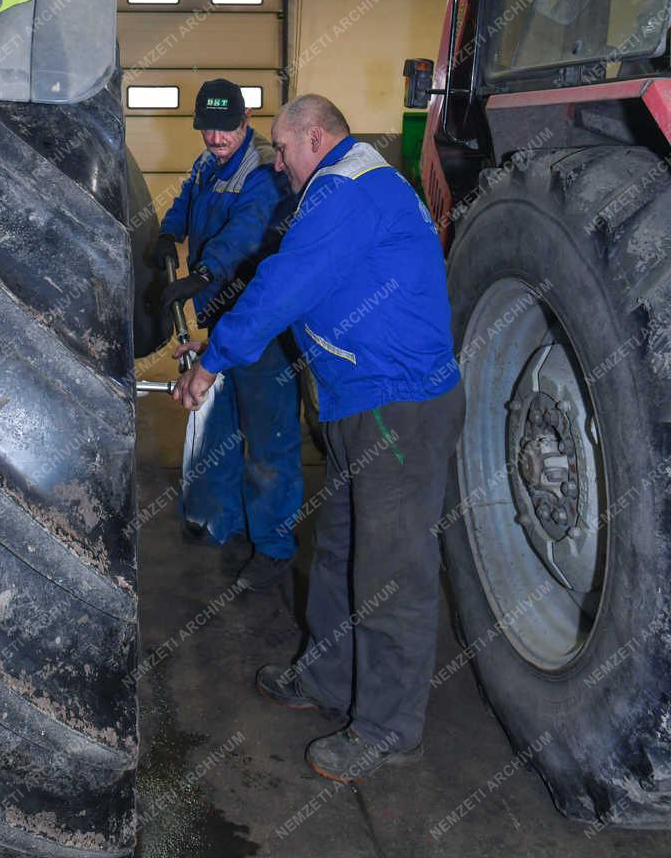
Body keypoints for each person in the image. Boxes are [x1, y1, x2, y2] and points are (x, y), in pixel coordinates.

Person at [172, 93, 464, 781]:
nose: (276, 164)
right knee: (339, 550)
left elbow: (283, 285)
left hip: (398, 407)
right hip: (356, 402)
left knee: (391, 571)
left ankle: (389, 728)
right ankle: (328, 678)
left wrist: (212, 362)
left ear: (313, 136)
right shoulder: (347, 184)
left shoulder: (345, 190)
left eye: (280, 148)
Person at [151, 78, 301, 591]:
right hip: (223, 315)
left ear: (246, 123)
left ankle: (274, 547)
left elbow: (248, 229)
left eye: (227, 128)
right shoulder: (206, 164)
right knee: (222, 422)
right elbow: (188, 200)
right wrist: (168, 234)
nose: (216, 137)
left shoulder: (262, 170)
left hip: (259, 319)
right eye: (208, 128)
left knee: (267, 436)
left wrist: (206, 271)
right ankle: (224, 520)